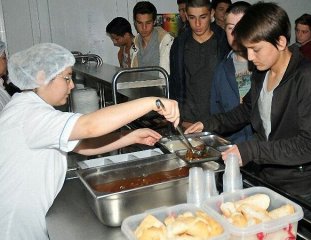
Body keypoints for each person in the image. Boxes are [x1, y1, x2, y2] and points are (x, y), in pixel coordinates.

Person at [0, 43, 180, 239]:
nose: (72, 85)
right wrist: (152, 102)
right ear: (42, 77)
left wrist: (130, 137)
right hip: (15, 228)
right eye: (67, 77)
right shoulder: (31, 116)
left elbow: (83, 145)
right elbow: (89, 126)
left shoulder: (29, 107)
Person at [185, 2, 311, 208]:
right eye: (247, 49)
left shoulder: (307, 77)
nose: (250, 57)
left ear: (281, 42)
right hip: (269, 176)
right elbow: (247, 110)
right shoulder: (262, 71)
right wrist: (208, 124)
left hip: (301, 187)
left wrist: (252, 150)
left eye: (255, 49)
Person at [169, 0, 230, 129]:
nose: (197, 24)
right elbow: (175, 83)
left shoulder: (225, 42)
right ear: (186, 15)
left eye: (203, 17)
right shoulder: (179, 45)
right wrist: (180, 119)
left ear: (211, 13)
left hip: (219, 121)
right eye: (192, 17)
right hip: (188, 121)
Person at [210, 1, 252, 144]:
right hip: (234, 151)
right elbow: (217, 114)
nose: (235, 34)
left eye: (241, 27)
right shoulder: (221, 70)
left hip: (266, 152)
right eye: (230, 28)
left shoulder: (266, 67)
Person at [131, 1, 174, 74]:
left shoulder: (167, 42)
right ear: (135, 22)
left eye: (148, 23)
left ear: (154, 22)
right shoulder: (134, 44)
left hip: (161, 85)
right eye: (139, 23)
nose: (144, 27)